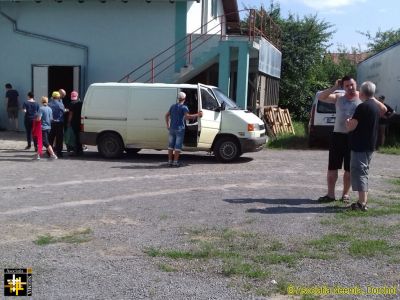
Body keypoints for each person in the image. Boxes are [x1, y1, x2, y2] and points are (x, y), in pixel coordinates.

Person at [317, 76, 362, 203]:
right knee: (332, 167)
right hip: (338, 136)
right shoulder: (338, 97)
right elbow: (320, 97)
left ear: (356, 84)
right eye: (347, 86)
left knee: (349, 168)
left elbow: (378, 107)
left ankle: (345, 195)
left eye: (352, 84)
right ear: (343, 87)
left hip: (353, 136)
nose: (350, 88)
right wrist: (335, 87)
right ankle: (330, 195)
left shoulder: (362, 97)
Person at [345, 81, 387, 211]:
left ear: (361, 92)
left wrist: (348, 122)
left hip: (360, 145)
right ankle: (362, 201)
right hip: (369, 144)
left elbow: (352, 126)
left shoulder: (362, 107)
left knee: (360, 173)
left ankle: (362, 203)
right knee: (364, 171)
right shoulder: (375, 106)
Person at [165, 92, 202, 167]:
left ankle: (169, 162)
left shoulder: (173, 106)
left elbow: (166, 115)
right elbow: (187, 117)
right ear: (184, 99)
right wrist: (198, 115)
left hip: (172, 128)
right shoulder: (184, 107)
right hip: (180, 129)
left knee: (171, 146)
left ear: (178, 99)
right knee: (177, 146)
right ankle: (175, 162)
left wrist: (168, 125)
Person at [48, 91, 65, 157]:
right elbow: (63, 111)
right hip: (59, 123)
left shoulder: (49, 104)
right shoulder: (60, 104)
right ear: (58, 97)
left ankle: (49, 152)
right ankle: (59, 153)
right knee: (59, 139)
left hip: (51, 123)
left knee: (50, 138)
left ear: (52, 96)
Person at [67, 90, 83, 156]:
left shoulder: (71, 103)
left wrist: (68, 122)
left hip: (74, 122)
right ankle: (80, 149)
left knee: (75, 137)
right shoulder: (80, 103)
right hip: (80, 121)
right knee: (79, 136)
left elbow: (71, 114)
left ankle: (76, 151)